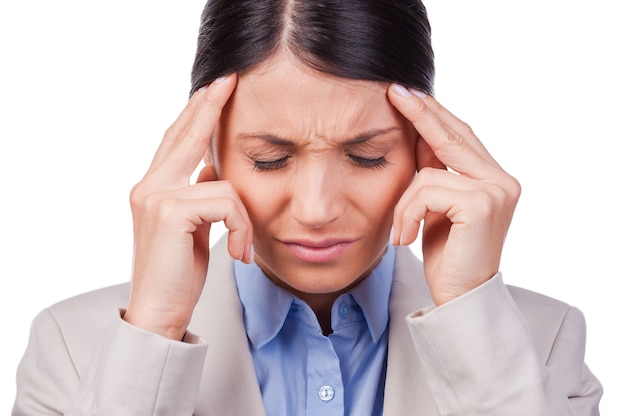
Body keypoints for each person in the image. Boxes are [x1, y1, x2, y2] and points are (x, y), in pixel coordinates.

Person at [12, 0, 602, 414]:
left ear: (426, 155)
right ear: (208, 155)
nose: (317, 209)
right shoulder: (75, 346)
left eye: (367, 156)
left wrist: (474, 314)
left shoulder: (544, 343)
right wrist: (157, 325)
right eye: (270, 159)